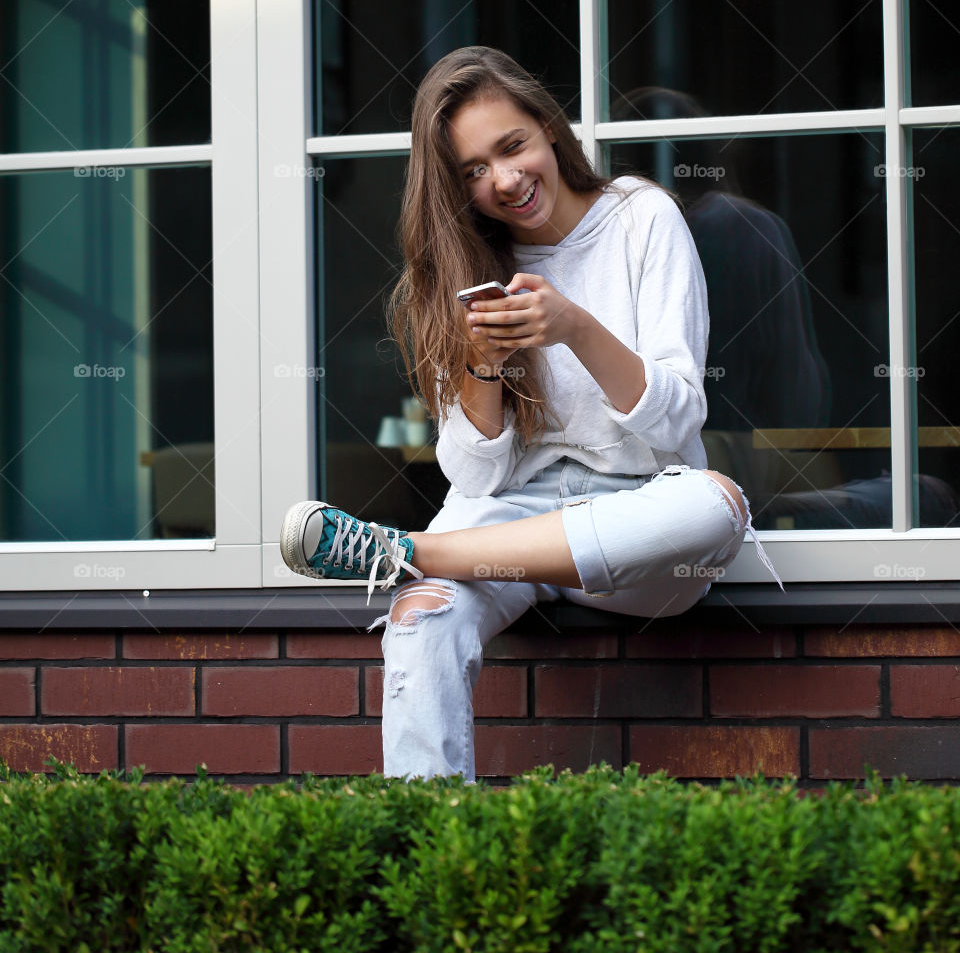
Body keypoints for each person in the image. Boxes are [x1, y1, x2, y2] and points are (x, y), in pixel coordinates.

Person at [280, 45, 784, 782]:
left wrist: (573, 327)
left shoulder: (643, 219)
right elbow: (475, 480)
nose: (506, 181)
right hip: (509, 524)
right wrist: (486, 364)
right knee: (421, 619)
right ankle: (432, 847)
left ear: (549, 129)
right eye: (474, 172)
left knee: (714, 507)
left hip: (635, 524)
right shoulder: (464, 268)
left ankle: (401, 549)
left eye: (512, 147)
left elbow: (676, 424)